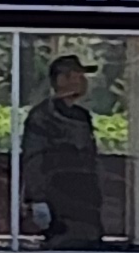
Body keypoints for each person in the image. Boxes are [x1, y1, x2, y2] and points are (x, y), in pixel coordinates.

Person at [19, 53, 109, 242]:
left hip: (86, 198)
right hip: (58, 199)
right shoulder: (43, 116)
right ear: (61, 79)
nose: (84, 82)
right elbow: (33, 158)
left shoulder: (81, 116)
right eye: (78, 76)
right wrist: (37, 198)